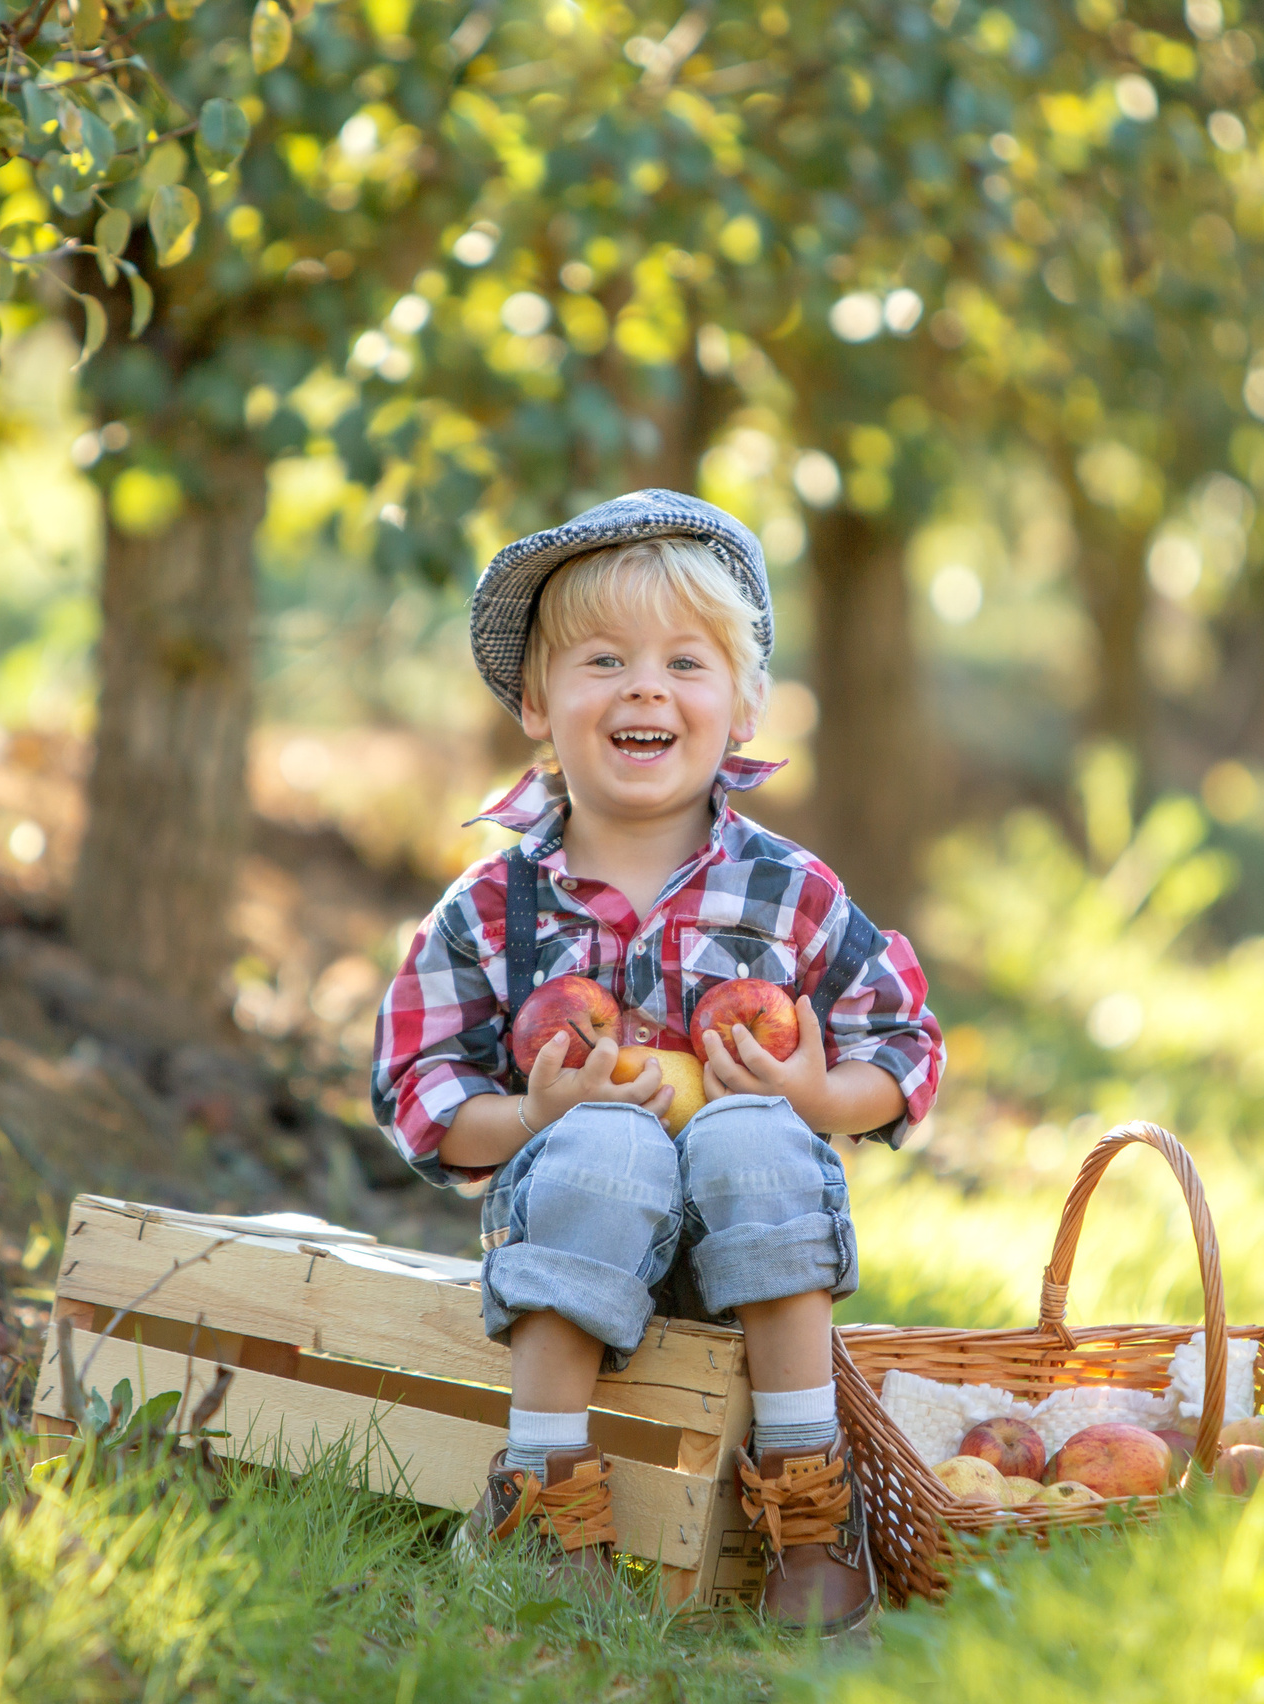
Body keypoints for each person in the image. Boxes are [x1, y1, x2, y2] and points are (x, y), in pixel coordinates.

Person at [371, 491, 944, 1637]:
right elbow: (419, 1088)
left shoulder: (787, 892)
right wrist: (530, 1117)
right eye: (602, 660)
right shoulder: (492, 907)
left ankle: (802, 1495)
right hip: (571, 1249)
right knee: (605, 1139)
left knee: (748, 1132)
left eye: (685, 662)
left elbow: (902, 1040)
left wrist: (818, 1095)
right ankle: (543, 1496)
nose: (644, 687)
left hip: (754, 1252)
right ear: (537, 705)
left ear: (740, 708)